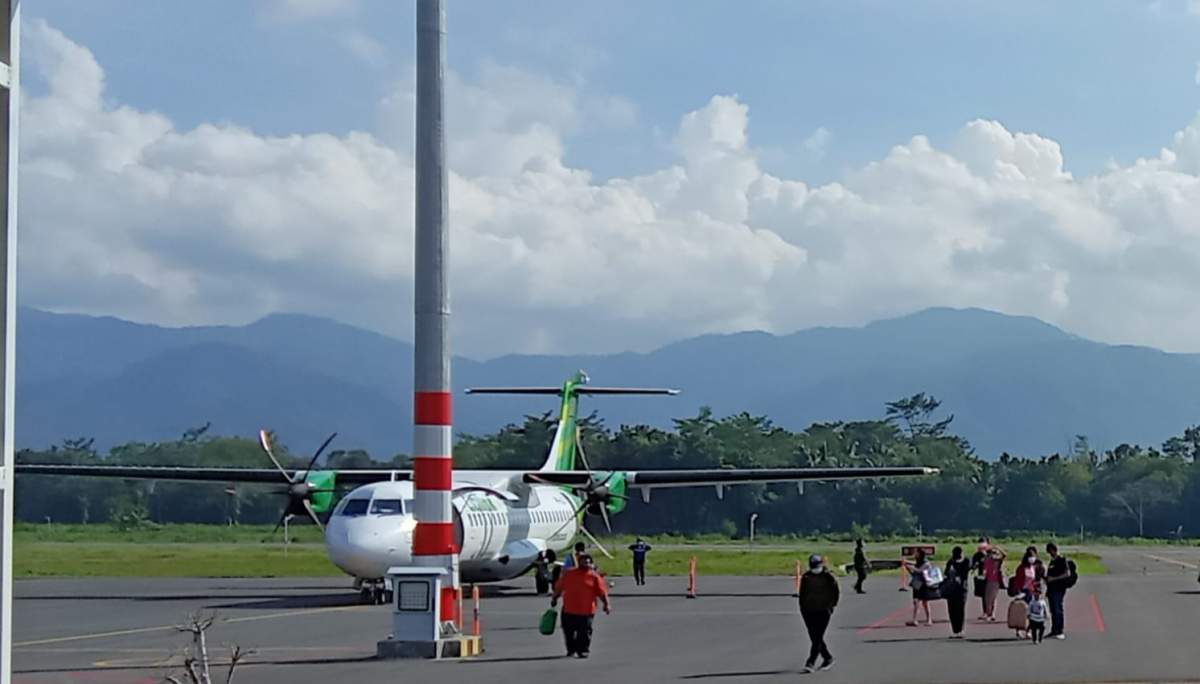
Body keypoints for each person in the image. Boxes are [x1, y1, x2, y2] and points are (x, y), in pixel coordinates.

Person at [550, 553, 611, 658]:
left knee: (584, 632)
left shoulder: (594, 576)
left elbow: (602, 592)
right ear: (579, 562)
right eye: (584, 561)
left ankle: (583, 650)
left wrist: (606, 604)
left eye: (588, 561)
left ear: (591, 563)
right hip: (569, 609)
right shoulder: (569, 574)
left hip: (586, 611)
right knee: (568, 632)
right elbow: (559, 587)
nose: (586, 563)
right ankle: (571, 649)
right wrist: (554, 598)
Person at [798, 553, 839, 673]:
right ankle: (827, 657)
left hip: (824, 609)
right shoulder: (806, 577)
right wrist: (802, 608)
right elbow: (802, 594)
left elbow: (835, 592)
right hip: (808, 610)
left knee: (817, 636)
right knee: (814, 636)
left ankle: (810, 662)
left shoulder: (828, 577)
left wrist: (832, 605)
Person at [1044, 542, 1074, 640]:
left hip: (1059, 588)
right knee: (1053, 609)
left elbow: (1067, 573)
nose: (1049, 554)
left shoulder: (1061, 560)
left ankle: (1060, 630)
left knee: (1058, 609)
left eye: (1050, 551)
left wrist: (1053, 578)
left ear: (1053, 550)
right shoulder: (1052, 561)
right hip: (1051, 589)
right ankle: (1054, 629)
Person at [943, 546, 971, 639]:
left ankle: (960, 630)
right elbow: (946, 573)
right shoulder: (951, 562)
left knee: (960, 609)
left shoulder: (966, 561)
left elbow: (966, 571)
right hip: (951, 588)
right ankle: (955, 630)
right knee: (952, 610)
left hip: (961, 588)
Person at [906, 548, 935, 627]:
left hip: (924, 584)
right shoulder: (917, 562)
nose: (915, 555)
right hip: (917, 584)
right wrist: (907, 567)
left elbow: (919, 570)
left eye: (916, 553)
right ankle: (914, 619)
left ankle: (929, 619)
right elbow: (914, 573)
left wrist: (911, 567)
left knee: (925, 602)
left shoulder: (926, 563)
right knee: (916, 601)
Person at [981, 545, 1007, 622]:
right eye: (991, 553)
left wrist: (999, 548)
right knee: (987, 598)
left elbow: (1005, 555)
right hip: (988, 581)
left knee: (992, 598)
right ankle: (989, 613)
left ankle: (992, 614)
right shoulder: (987, 560)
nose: (993, 554)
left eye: (994, 553)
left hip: (996, 581)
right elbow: (985, 569)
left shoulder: (998, 561)